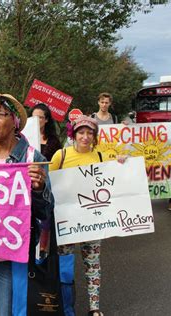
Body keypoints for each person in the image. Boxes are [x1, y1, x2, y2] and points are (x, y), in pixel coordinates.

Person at [0, 93, 52, 315]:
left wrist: (40, 189)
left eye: (0, 114)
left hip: (10, 252)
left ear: (14, 121)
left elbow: (46, 211)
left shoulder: (33, 158)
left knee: (9, 310)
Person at [49, 115, 108, 316]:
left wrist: (121, 163)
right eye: (81, 132)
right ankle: (66, 308)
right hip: (67, 222)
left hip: (92, 222)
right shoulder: (61, 155)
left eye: (89, 133)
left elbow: (114, 182)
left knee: (93, 265)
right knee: (65, 266)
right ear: (73, 135)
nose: (85, 137)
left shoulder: (101, 156)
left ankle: (94, 308)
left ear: (94, 136)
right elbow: (48, 184)